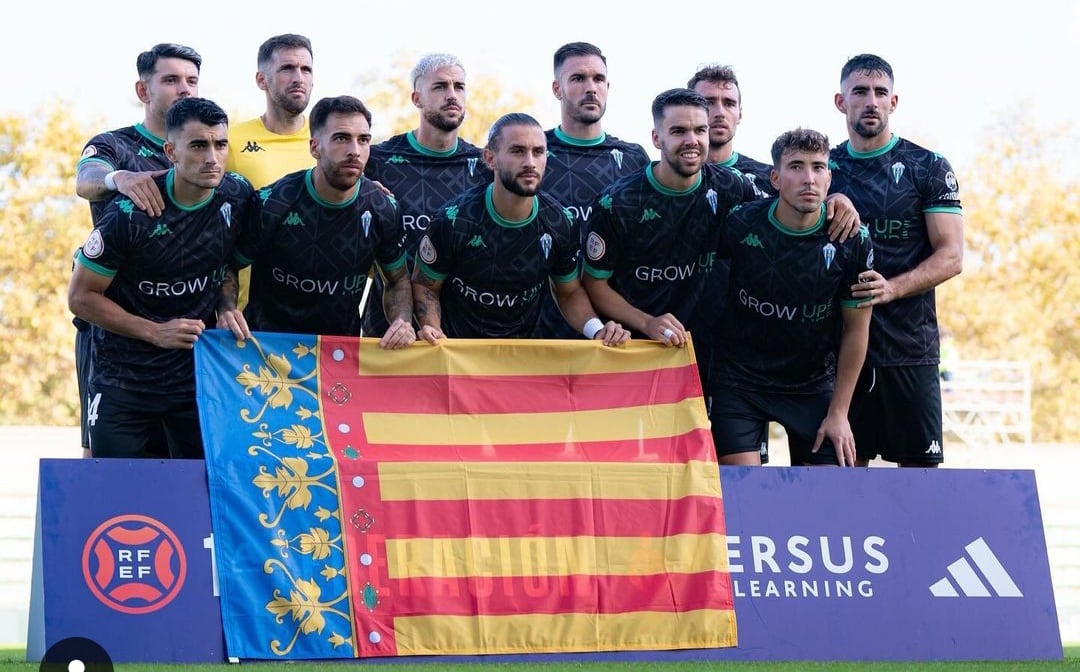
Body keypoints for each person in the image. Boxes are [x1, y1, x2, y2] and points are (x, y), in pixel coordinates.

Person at [68, 98, 253, 459]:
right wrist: (154, 331)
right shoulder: (129, 214)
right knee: (114, 499)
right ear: (171, 151)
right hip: (123, 381)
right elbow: (80, 297)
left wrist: (226, 302)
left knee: (198, 500)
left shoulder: (237, 194)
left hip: (194, 380)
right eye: (199, 145)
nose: (212, 157)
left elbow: (227, 261)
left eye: (220, 144)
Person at [709, 128, 873, 467]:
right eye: (796, 166)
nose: (809, 178)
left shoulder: (852, 240)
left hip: (811, 385)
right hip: (740, 381)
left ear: (830, 178)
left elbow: (857, 329)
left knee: (822, 507)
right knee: (744, 497)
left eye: (818, 167)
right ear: (775, 178)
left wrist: (839, 413)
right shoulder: (741, 224)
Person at [829, 53, 964, 468]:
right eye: (860, 92)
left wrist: (892, 288)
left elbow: (952, 255)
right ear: (841, 102)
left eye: (880, 92)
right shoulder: (823, 169)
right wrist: (830, 197)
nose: (871, 101)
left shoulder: (929, 166)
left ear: (894, 101)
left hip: (911, 351)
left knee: (921, 485)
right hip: (840, 357)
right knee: (845, 486)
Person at [73, 42, 202, 457]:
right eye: (171, 80)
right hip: (115, 339)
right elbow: (88, 179)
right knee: (103, 463)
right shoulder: (114, 144)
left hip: (185, 339)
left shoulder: (207, 150)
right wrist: (120, 179)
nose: (184, 89)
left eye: (192, 81)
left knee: (187, 470)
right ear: (143, 90)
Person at [411, 113, 627, 345]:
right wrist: (431, 329)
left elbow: (569, 292)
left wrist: (597, 331)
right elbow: (425, 284)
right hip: (458, 357)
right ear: (490, 158)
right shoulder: (454, 219)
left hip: (523, 359)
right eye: (517, 151)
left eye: (538, 152)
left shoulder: (560, 222)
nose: (530, 163)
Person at [219, 95, 415, 348]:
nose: (354, 151)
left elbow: (397, 279)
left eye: (363, 140)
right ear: (314, 147)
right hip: (266, 350)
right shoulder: (274, 202)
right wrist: (226, 309)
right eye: (341, 138)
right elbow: (228, 265)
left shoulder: (383, 208)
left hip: (338, 355)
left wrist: (402, 321)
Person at [360, 53, 492, 337]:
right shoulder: (378, 161)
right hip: (390, 330)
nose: (452, 95)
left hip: (462, 333)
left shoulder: (484, 168)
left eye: (459, 86)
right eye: (440, 87)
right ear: (416, 98)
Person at [534, 41, 651, 339]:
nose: (591, 88)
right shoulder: (531, 154)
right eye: (578, 78)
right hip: (544, 328)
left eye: (598, 79)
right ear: (557, 89)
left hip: (621, 330)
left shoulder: (634, 159)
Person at [226, 33, 316, 309]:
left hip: (321, 312)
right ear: (261, 80)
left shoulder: (336, 141)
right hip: (247, 314)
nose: (298, 77)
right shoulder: (229, 141)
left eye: (306, 69)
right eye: (287, 68)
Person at [688, 63, 775, 197]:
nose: (720, 113)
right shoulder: (667, 178)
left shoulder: (770, 179)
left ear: (739, 114)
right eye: (709, 102)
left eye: (729, 104)